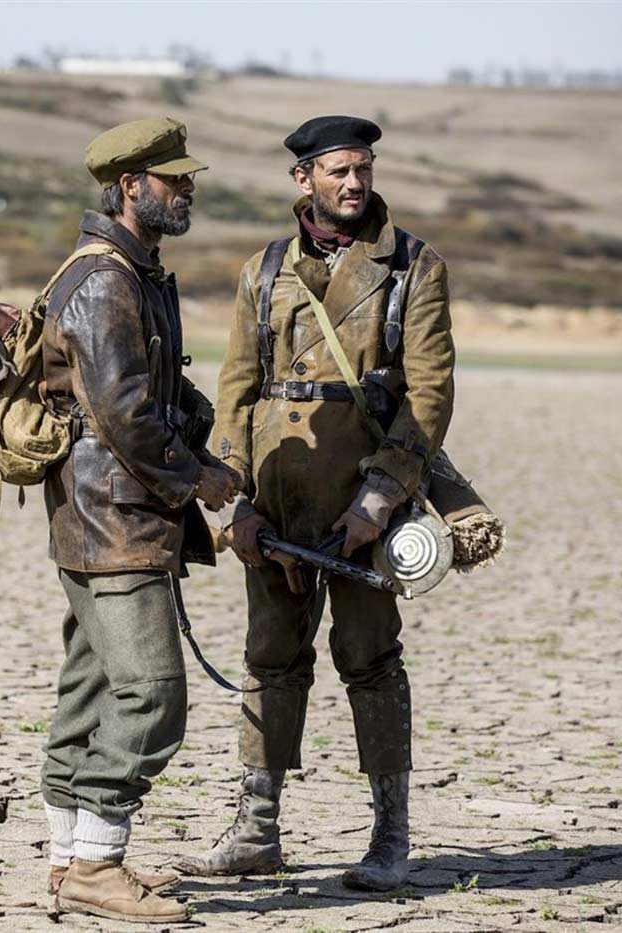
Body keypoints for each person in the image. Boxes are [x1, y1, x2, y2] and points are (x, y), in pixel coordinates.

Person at [175, 115, 455, 892]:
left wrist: (379, 498)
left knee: (371, 662)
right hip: (274, 497)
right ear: (303, 179)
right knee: (271, 659)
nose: (353, 182)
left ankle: (390, 835)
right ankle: (255, 830)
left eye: (362, 168)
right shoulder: (263, 271)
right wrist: (230, 502)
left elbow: (427, 396)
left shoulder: (413, 268)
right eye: (337, 170)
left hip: (365, 504)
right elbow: (234, 391)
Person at [39, 116, 240, 923]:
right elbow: (124, 413)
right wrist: (197, 477)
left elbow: (159, 392)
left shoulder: (138, 272)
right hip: (112, 517)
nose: (187, 187)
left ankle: (66, 860)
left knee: (91, 689)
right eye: (174, 178)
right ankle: (95, 866)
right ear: (130, 187)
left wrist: (217, 439)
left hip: (111, 516)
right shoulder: (105, 282)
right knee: (153, 694)